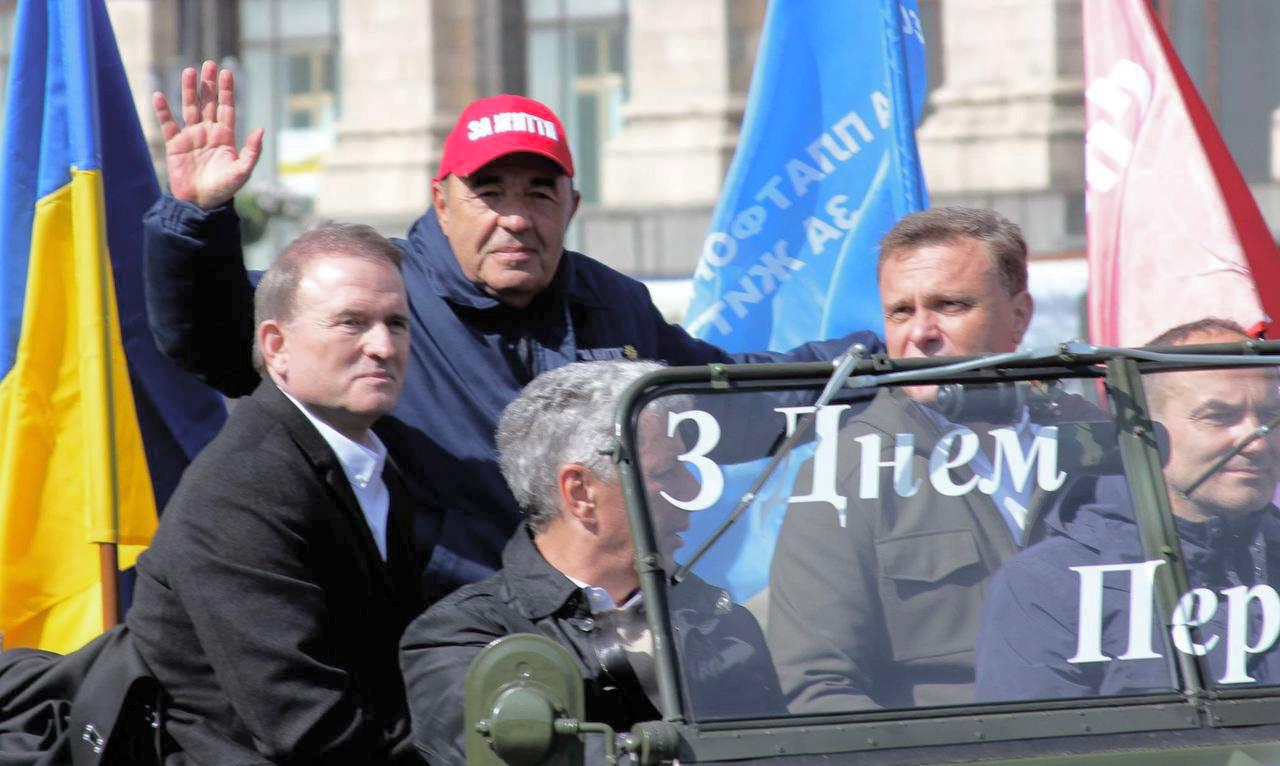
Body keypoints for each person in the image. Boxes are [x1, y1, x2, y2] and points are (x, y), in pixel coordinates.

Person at [142, 61, 880, 599]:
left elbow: (724, 403)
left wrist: (877, 363)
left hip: (597, 624)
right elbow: (216, 342)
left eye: (539, 192)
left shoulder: (612, 302)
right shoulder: (380, 292)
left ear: (573, 204)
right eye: (489, 192)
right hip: (431, 636)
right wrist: (196, 220)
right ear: (441, 200)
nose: (516, 217)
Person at [125, 224, 435, 764]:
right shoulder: (242, 489)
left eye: (397, 323)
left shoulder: (373, 464)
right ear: (276, 346)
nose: (383, 347)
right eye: (351, 322)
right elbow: (306, 726)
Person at [767, 206, 1084, 712]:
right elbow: (815, 688)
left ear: (1019, 316)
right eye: (900, 312)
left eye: (949, 305)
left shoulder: (1096, 442)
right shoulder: (846, 473)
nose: (920, 332)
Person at [399, 360, 784, 766]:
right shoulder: (465, 639)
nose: (692, 489)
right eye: (666, 472)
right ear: (580, 492)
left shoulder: (719, 621)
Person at [975, 318, 1280, 700]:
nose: (1256, 441)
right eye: (1218, 417)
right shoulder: (1046, 587)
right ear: (1145, 431)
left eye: (1270, 416)